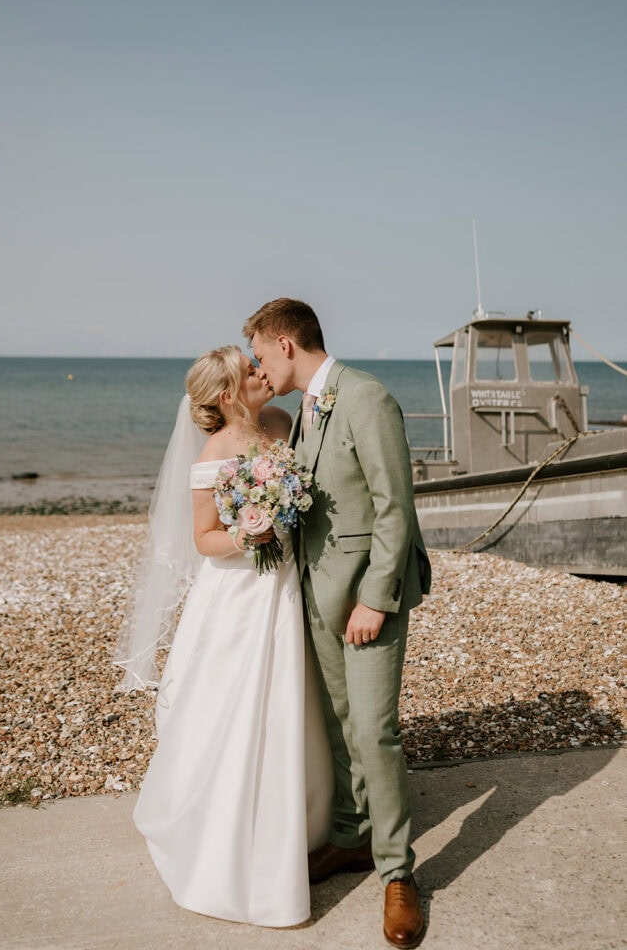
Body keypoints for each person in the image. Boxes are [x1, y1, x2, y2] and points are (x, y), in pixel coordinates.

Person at [114, 344, 333, 927]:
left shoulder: (284, 424)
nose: (262, 372)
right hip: (238, 595)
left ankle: (302, 817)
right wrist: (252, 533)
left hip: (287, 587)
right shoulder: (213, 452)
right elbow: (204, 539)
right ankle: (225, 830)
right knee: (232, 709)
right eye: (250, 369)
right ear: (228, 395)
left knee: (292, 701)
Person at [243, 299, 431, 950]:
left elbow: (392, 507)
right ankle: (351, 839)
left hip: (363, 599)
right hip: (315, 595)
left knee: (373, 731)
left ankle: (397, 874)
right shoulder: (304, 412)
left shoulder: (365, 397)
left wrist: (376, 597)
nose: (260, 368)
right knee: (337, 723)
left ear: (286, 344)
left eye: (262, 354)